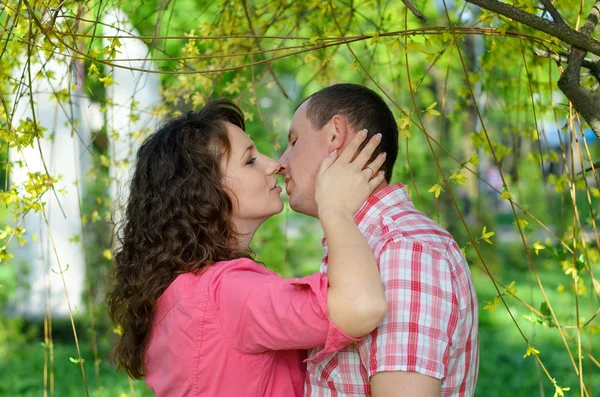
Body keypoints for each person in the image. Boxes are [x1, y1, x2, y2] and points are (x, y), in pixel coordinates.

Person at [106, 99, 390, 397]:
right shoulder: (228, 293)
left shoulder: (182, 290)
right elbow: (362, 306)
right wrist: (336, 209)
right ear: (206, 191)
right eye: (250, 160)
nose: (275, 165)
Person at [278, 84, 479, 397]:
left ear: (334, 135)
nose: (282, 161)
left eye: (293, 141)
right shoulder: (371, 243)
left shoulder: (404, 250)